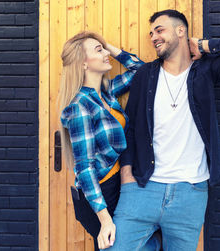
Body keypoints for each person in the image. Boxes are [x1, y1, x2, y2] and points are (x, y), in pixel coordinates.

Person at [107, 9, 220, 251]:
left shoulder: (205, 72)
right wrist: (127, 176)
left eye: (160, 30)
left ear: (180, 31)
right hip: (143, 187)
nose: (154, 37)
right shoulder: (146, 74)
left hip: (190, 192)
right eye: (151, 33)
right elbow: (132, 127)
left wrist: (202, 45)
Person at [59, 32, 160, 250]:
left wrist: (110, 48)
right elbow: (84, 168)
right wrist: (105, 219)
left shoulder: (107, 94)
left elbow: (142, 71)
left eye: (103, 49)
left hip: (118, 186)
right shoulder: (80, 107)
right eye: (99, 50)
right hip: (101, 194)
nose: (106, 54)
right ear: (83, 63)